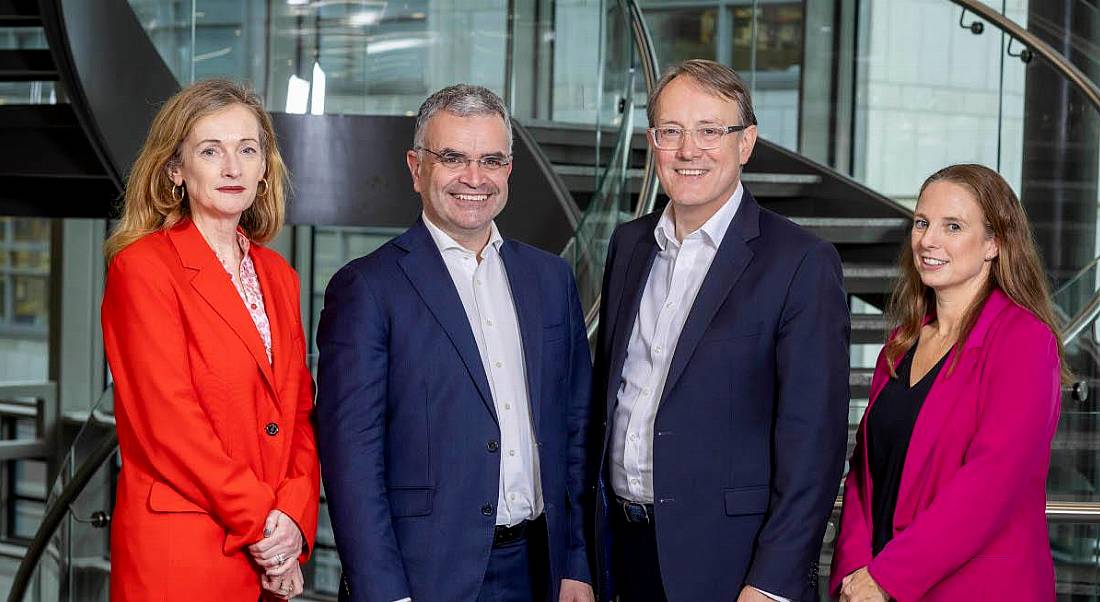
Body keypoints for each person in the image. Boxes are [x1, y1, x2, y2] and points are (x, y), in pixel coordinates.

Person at [315, 84, 594, 602]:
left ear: (509, 169)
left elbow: (576, 429)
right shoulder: (367, 288)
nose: (474, 178)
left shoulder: (550, 279)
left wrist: (578, 562)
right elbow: (351, 461)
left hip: (542, 568)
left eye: (491, 159)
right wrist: (384, 591)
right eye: (453, 158)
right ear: (416, 167)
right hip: (424, 577)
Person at [590, 59, 850, 601]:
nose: (689, 150)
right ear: (652, 141)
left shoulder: (800, 262)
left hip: (733, 568)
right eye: (672, 131)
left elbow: (815, 447)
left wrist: (773, 583)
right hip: (624, 554)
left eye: (710, 131)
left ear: (746, 142)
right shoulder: (629, 245)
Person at [101, 79, 319, 601]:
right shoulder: (143, 269)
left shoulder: (277, 275)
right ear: (175, 169)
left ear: (265, 167)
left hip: (266, 552)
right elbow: (169, 427)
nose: (232, 167)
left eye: (247, 149)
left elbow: (297, 413)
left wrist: (293, 515)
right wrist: (266, 524)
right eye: (210, 150)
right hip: (184, 555)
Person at [831, 164, 1064, 601]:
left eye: (952, 226)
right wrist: (855, 570)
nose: (928, 240)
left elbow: (991, 486)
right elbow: (865, 476)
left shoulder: (1025, 341)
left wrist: (887, 578)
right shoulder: (900, 346)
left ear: (994, 243)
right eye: (922, 223)